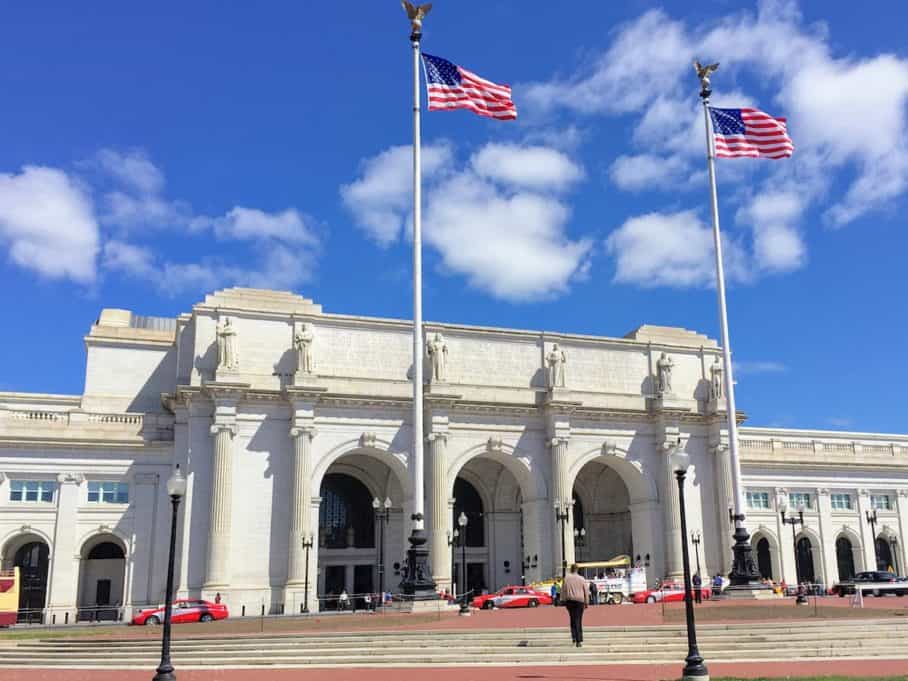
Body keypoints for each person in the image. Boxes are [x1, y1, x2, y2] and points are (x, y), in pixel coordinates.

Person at [562, 565, 590, 648]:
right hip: (579, 601)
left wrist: (563, 600)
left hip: (570, 601)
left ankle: (574, 637)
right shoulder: (581, 579)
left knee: (572, 619)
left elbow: (563, 590)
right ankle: (579, 640)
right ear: (577, 570)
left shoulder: (566, 579)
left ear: (571, 570)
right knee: (578, 619)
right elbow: (586, 591)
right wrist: (587, 602)